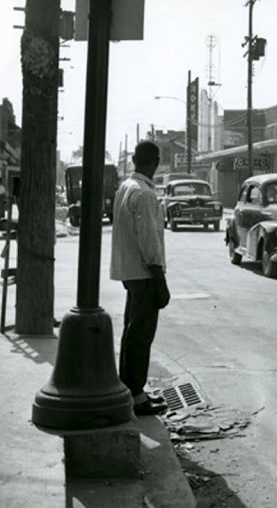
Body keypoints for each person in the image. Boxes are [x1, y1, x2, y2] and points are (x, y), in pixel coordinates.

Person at [110, 141, 171, 416]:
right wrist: (160, 281)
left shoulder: (125, 187)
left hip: (129, 271)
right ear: (156, 162)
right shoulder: (144, 194)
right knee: (141, 335)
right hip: (145, 273)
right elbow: (149, 243)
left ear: (134, 159)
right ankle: (135, 393)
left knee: (132, 332)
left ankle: (132, 390)